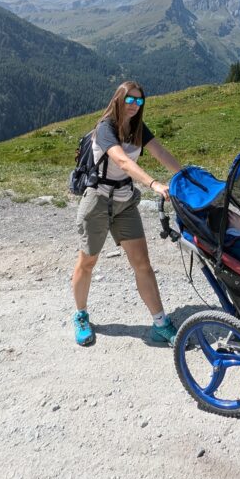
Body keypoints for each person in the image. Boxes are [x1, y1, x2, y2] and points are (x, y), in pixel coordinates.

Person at [71, 81, 182, 347]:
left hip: (124, 202)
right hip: (97, 201)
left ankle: (160, 324)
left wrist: (185, 176)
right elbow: (122, 161)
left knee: (142, 263)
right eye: (130, 99)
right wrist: (154, 184)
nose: (134, 105)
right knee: (87, 262)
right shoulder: (105, 127)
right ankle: (81, 316)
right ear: (118, 99)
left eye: (139, 101)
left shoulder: (138, 127)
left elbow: (160, 152)